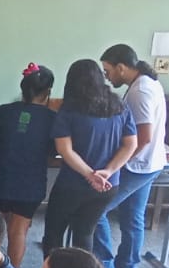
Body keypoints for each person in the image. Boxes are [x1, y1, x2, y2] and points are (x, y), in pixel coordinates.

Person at [40, 59, 138, 257]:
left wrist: (89, 174)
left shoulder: (69, 110)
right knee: (85, 233)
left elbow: (65, 150)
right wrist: (107, 171)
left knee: (54, 233)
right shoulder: (119, 106)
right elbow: (131, 144)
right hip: (107, 185)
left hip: (72, 184)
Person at [95, 43, 169, 268]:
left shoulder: (140, 92)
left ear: (121, 67)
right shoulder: (146, 84)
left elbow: (143, 137)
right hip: (150, 163)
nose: (107, 76)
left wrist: (116, 164)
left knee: (96, 210)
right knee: (132, 218)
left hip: (137, 165)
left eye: (108, 71)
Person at [0, 64, 58, 268]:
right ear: (48, 92)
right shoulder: (52, 119)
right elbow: (52, 153)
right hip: (31, 183)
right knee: (18, 231)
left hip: (2, 179)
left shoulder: (1, 112)